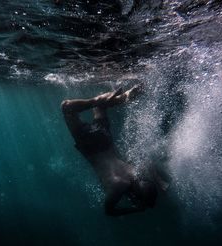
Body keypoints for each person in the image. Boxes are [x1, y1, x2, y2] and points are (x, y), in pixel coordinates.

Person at [61, 85, 158, 216]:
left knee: (99, 107)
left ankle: (120, 98)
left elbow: (148, 164)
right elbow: (109, 211)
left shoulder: (135, 173)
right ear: (135, 196)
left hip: (105, 139)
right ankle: (99, 100)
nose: (141, 181)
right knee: (67, 107)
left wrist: (160, 182)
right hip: (90, 146)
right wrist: (136, 209)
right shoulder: (118, 186)